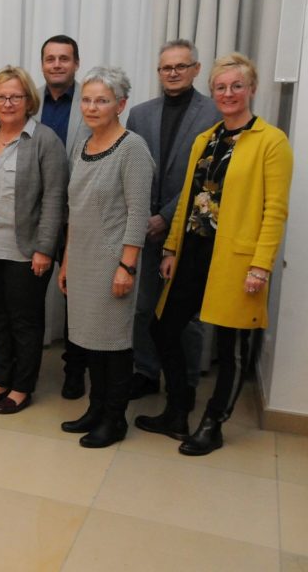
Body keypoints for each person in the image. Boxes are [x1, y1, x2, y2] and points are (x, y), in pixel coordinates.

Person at [136, 53, 293, 456]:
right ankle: (178, 410)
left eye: (236, 86)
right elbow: (190, 198)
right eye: (221, 88)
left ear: (251, 89)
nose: (228, 94)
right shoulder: (206, 139)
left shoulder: (270, 141)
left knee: (232, 346)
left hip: (238, 259)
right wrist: (171, 246)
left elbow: (274, 210)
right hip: (193, 250)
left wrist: (261, 265)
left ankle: (214, 422)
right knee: (163, 327)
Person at [58, 67, 153, 448]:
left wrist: (127, 266)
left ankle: (114, 420)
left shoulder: (133, 148)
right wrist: (66, 262)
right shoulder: (84, 146)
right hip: (80, 260)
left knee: (112, 345)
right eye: (87, 99)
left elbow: (138, 213)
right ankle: (95, 409)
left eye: (102, 100)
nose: (92, 107)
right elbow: (74, 211)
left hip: (113, 262)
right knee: (87, 341)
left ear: (121, 105)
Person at [0, 66, 67, 414]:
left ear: (28, 101)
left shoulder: (45, 140)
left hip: (26, 251)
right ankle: (0, 380)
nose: (7, 103)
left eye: (15, 96)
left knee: (24, 321)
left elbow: (55, 198)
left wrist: (44, 249)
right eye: (1, 96)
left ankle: (22, 387)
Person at [126, 40, 220, 400]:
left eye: (182, 66)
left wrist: (165, 217)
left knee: (187, 315)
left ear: (196, 70)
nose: (174, 73)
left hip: (191, 229)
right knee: (145, 306)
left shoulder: (214, 113)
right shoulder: (140, 113)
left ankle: (187, 382)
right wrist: (146, 218)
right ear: (158, 72)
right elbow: (135, 168)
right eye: (167, 67)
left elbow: (205, 176)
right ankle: (146, 372)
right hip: (145, 228)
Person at [37, 34, 89, 399]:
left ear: (76, 63)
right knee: (29, 294)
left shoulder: (90, 100)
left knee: (78, 298)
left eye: (64, 58)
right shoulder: (27, 100)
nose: (57, 64)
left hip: (79, 215)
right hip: (35, 215)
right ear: (42, 63)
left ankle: (75, 370)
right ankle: (25, 368)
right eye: (50, 58)